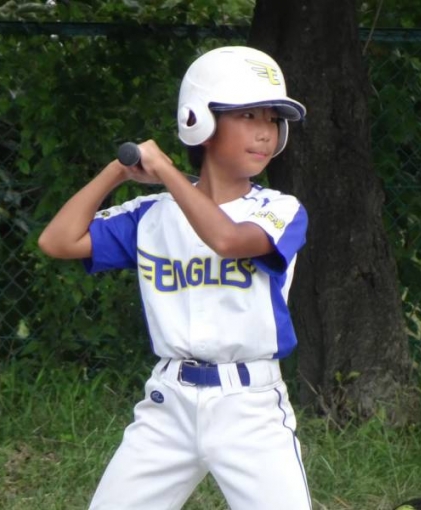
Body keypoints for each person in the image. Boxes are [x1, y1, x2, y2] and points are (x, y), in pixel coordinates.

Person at [38, 45, 312, 510]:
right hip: (169, 402)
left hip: (250, 405)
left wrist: (166, 170)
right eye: (248, 115)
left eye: (272, 119)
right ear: (197, 120)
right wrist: (118, 172)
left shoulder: (279, 208)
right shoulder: (151, 215)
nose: (265, 132)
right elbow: (57, 241)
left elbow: (226, 239)